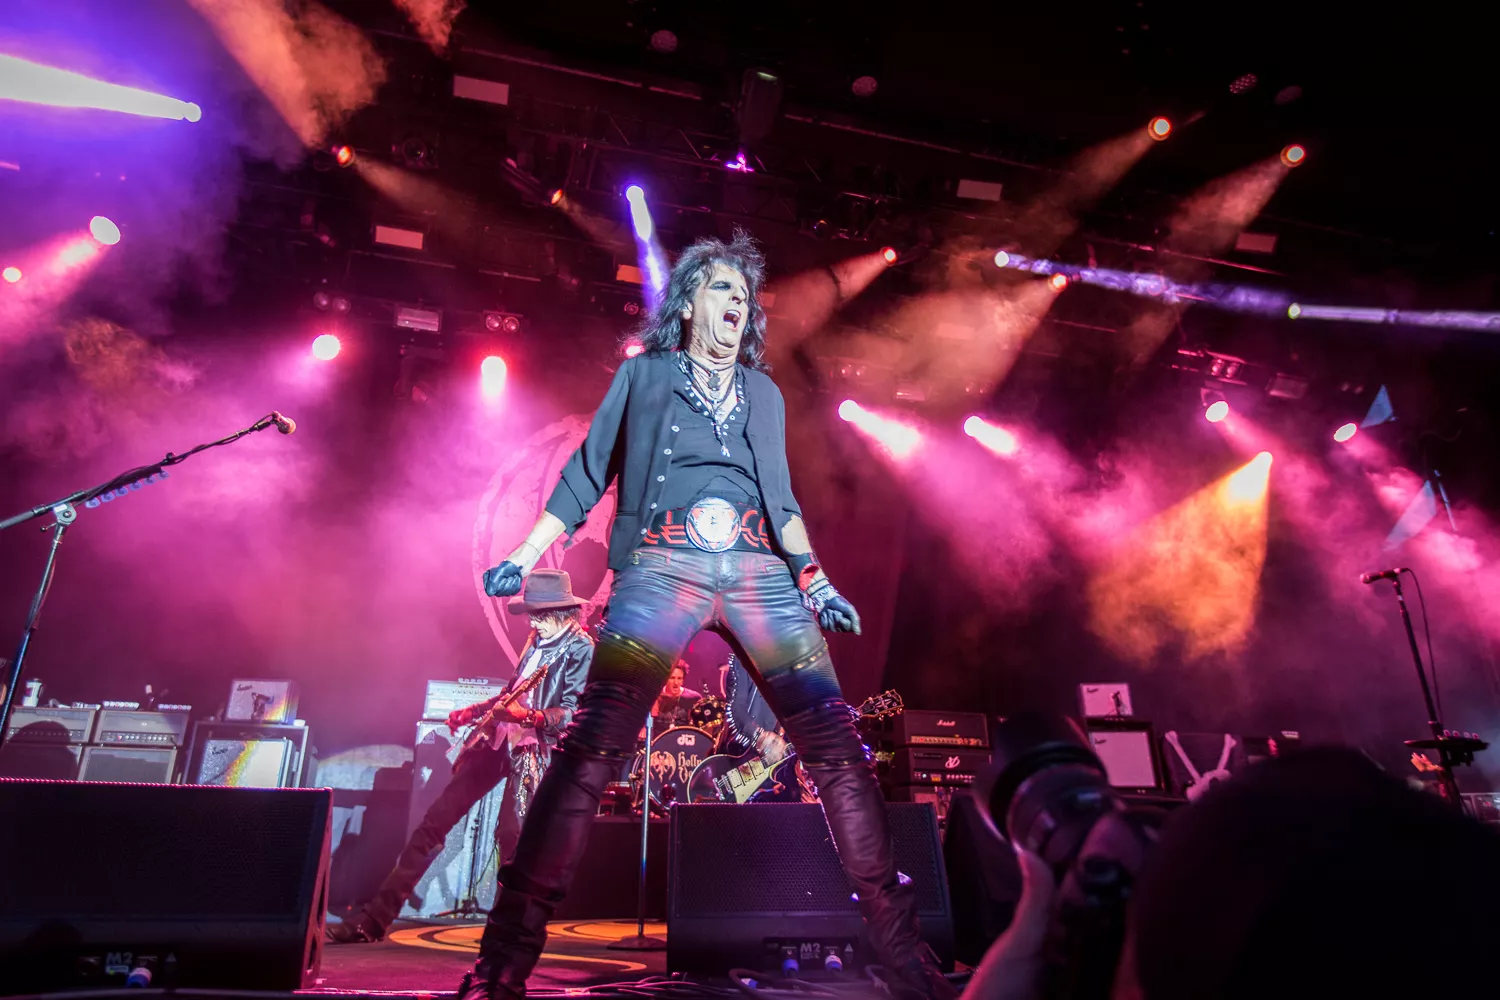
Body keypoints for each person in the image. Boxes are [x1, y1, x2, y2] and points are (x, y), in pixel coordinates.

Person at [466, 231, 952, 1000]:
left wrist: (815, 580)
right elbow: (587, 472)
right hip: (663, 567)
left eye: (744, 294)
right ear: (689, 303)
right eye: (722, 288)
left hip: (759, 572)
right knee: (592, 748)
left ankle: (903, 955)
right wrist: (527, 554)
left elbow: (781, 502)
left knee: (836, 747)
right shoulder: (645, 378)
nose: (738, 303)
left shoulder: (764, 393)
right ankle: (503, 959)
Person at [327, 570, 593, 944]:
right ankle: (373, 921)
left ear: (561, 612)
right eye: (530, 613)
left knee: (512, 838)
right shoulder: (536, 639)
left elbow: (571, 712)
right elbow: (513, 693)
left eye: (538, 614)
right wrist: (476, 710)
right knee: (435, 822)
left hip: (532, 750)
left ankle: (508, 931)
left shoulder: (580, 648)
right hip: (499, 740)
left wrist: (529, 717)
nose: (531, 621)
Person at [651, 662, 700, 726]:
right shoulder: (655, 695)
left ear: (683, 680)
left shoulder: (693, 698)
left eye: (679, 678)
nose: (676, 683)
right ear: (665, 679)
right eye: (672, 678)